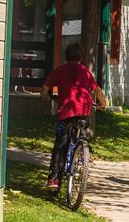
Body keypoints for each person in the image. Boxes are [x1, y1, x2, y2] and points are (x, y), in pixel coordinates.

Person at [41, 43, 107, 190]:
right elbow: (97, 91)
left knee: (60, 146)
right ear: (81, 58)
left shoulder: (59, 70)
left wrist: (45, 96)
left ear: (66, 56)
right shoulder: (86, 72)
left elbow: (45, 88)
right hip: (83, 113)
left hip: (65, 113)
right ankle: (82, 162)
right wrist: (103, 103)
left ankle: (53, 179)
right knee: (81, 136)